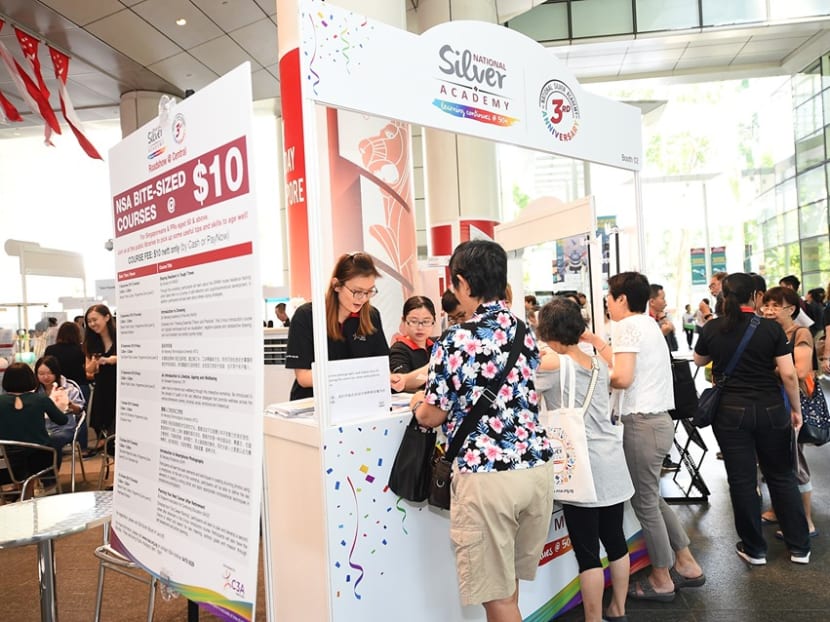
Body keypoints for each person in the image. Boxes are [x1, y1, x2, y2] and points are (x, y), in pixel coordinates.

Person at [409, 240, 554, 622]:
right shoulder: (524, 331)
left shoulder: (454, 339)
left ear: (461, 283)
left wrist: (418, 403)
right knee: (508, 589)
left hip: (489, 479)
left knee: (498, 597)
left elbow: (431, 416)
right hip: (535, 471)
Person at [582, 272, 704, 601]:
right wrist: (596, 344)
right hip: (657, 422)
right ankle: (687, 562)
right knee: (652, 498)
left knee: (644, 503)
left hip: (640, 424)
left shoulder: (628, 326)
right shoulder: (647, 323)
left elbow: (621, 377)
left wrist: (584, 373)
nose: (607, 301)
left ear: (622, 299)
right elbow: (627, 365)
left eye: (609, 295)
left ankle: (662, 577)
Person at [694, 273, 810, 565]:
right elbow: (788, 373)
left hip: (730, 413)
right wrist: (795, 409)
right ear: (756, 297)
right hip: (771, 410)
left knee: (742, 480)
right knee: (782, 475)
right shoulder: (770, 330)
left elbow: (698, 360)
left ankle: (754, 549)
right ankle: (799, 548)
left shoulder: (713, 327)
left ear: (723, 296)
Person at [536, 297, 633, 622]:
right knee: (616, 541)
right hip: (611, 461)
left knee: (588, 553)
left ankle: (594, 619)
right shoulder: (595, 363)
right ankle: (618, 607)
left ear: (548, 331)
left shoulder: (551, 364)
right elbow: (618, 373)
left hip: (581, 469)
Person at [285, 252, 390, 401]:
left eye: (369, 291)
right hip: (313, 403)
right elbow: (304, 377)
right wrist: (358, 375)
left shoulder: (371, 316)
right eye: (357, 291)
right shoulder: (307, 316)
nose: (363, 299)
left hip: (357, 401)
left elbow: (381, 367)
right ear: (336, 285)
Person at [758, 287, 819, 537]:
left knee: (796, 463)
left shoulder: (800, 333)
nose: (769, 310)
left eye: (775, 306)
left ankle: (805, 521)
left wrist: (764, 367)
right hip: (774, 403)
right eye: (766, 305)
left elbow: (800, 370)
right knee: (777, 460)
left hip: (794, 403)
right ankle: (777, 509)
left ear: (791, 309)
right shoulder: (770, 331)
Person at [0, 362, 68, 497]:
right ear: (31, 379)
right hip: (40, 458)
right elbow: (62, 420)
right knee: (50, 445)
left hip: (7, 461)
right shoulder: (41, 399)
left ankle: (19, 496)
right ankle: (38, 493)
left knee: (17, 465)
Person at [34, 355, 85, 471]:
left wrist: (68, 403)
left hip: (65, 428)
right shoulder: (35, 391)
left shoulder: (69, 388)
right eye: (41, 374)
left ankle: (52, 477)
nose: (45, 377)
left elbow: (79, 410)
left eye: (49, 373)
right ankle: (35, 477)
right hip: (42, 429)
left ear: (56, 372)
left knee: (54, 440)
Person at [45, 321, 89, 450]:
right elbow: (87, 369)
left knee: (55, 413)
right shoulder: (81, 350)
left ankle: (56, 440)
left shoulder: (51, 349)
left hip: (57, 385)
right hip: (80, 384)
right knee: (80, 416)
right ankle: (82, 448)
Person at [84, 304, 118, 454]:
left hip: (119, 388)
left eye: (94, 320)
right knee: (104, 431)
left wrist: (111, 360)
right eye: (89, 321)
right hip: (103, 390)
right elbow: (88, 371)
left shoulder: (120, 337)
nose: (92, 324)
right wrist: (93, 363)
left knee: (117, 433)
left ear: (107, 317)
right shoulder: (91, 343)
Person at [388, 296, 435, 392]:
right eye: (414, 321)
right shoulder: (398, 350)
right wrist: (436, 366)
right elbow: (402, 383)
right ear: (404, 321)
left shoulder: (438, 345)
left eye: (426, 321)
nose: (420, 327)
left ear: (433, 322)